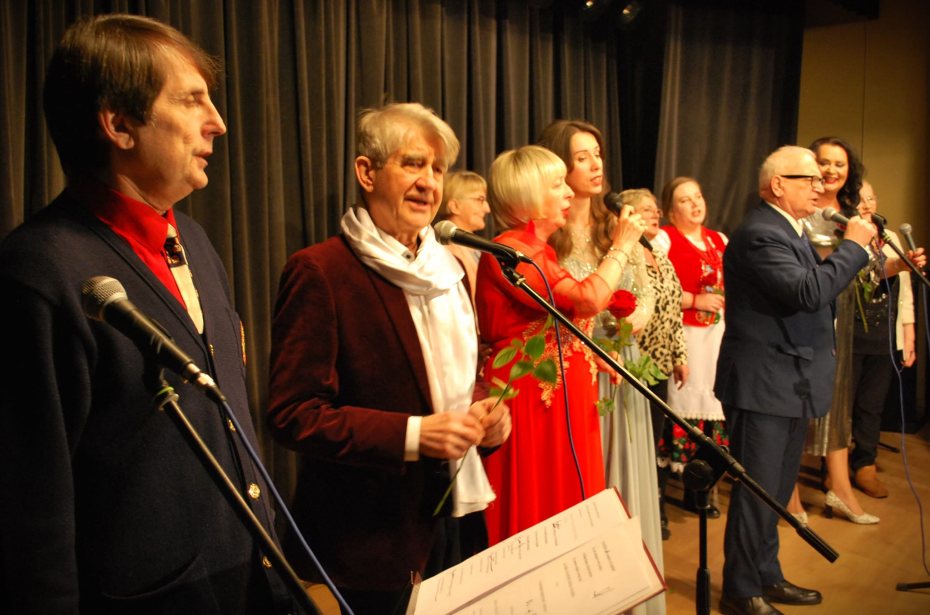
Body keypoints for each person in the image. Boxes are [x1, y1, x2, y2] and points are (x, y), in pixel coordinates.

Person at [0, 14, 293, 614]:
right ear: (119, 125)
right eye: (191, 100)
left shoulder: (195, 241)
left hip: (248, 586)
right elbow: (31, 508)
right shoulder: (39, 271)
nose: (218, 122)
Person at [267, 102, 511, 614]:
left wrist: (486, 412)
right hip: (368, 537)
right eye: (413, 164)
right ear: (367, 172)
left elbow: (457, 379)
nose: (428, 182)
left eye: (437, 169)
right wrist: (415, 435)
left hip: (455, 514)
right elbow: (293, 414)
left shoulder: (448, 268)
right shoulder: (321, 271)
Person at [715, 145, 876, 615]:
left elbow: (817, 288)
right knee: (758, 492)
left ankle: (766, 575)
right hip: (763, 384)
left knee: (774, 491)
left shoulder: (789, 229)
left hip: (786, 381)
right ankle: (741, 590)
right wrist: (853, 247)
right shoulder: (760, 233)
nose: (820, 186)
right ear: (778, 184)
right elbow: (809, 292)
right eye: (810, 179)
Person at [476, 144, 646, 546]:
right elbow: (586, 299)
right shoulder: (512, 251)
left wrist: (589, 352)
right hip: (533, 399)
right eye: (557, 185)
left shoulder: (539, 250)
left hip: (560, 395)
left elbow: (555, 321)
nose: (569, 191)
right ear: (528, 196)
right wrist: (622, 245)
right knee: (539, 508)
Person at [538, 119, 665, 615]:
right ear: (558, 166)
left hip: (620, 365)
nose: (595, 165)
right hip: (576, 369)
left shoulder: (617, 226)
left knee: (625, 475)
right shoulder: (549, 235)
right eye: (581, 157)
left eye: (597, 154)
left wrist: (628, 324)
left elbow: (646, 295)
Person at [656, 176, 728, 517]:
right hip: (684, 336)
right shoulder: (665, 239)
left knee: (712, 411)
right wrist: (694, 299)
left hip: (716, 337)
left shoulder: (719, 239)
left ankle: (700, 491)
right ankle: (663, 495)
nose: (695, 204)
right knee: (681, 408)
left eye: (697, 196)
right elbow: (655, 287)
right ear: (671, 211)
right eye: (685, 200)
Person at [622, 188, 689, 541]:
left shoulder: (660, 255)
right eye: (645, 209)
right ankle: (633, 512)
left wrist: (680, 356)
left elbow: (674, 308)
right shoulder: (623, 255)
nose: (655, 213)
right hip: (631, 367)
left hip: (659, 367)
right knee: (635, 443)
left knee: (653, 441)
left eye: (656, 209)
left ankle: (653, 508)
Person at [849, 180, 916, 497]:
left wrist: (909, 332)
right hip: (850, 335)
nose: (867, 204)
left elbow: (905, 292)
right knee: (842, 407)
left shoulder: (889, 237)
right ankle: (832, 467)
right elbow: (868, 273)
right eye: (860, 199)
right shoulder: (847, 237)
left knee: (872, 405)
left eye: (871, 198)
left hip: (883, 336)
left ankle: (865, 464)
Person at [434, 170, 490, 300]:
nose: (487, 208)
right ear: (454, 206)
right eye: (480, 199)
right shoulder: (445, 252)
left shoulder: (478, 249)